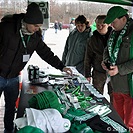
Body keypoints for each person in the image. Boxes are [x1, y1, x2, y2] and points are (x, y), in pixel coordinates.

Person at [0, 3, 72, 133]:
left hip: (14, 77)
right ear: (27, 21)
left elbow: (46, 53)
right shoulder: (6, 29)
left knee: (11, 107)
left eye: (39, 26)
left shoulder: (35, 37)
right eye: (35, 26)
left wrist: (62, 66)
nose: (37, 29)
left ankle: (8, 130)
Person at [102, 6, 133, 132]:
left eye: (113, 22)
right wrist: (106, 61)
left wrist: (119, 69)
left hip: (129, 86)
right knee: (117, 121)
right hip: (115, 85)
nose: (111, 25)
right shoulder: (114, 33)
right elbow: (106, 51)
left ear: (124, 19)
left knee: (129, 124)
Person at [84, 15, 113, 102]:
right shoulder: (92, 39)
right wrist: (87, 74)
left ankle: (114, 113)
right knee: (97, 94)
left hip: (113, 71)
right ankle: (97, 113)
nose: (100, 27)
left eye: (102, 25)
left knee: (114, 95)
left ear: (108, 25)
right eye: (97, 25)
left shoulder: (114, 37)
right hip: (98, 71)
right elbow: (88, 57)